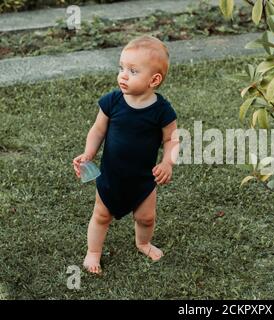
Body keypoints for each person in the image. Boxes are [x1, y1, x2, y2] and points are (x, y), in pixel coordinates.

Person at [73, 35, 179, 274]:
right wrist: (89, 153)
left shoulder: (162, 110)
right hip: (111, 176)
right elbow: (98, 129)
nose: (122, 75)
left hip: (143, 179)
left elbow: (172, 139)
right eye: (121, 68)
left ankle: (143, 242)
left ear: (154, 79)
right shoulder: (113, 101)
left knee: (146, 217)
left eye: (132, 71)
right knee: (101, 215)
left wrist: (167, 162)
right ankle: (93, 252)